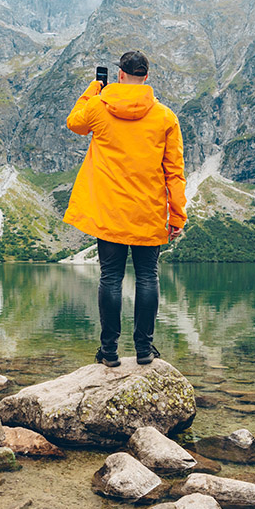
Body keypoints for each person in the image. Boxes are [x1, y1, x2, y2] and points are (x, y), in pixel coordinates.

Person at [63, 50, 187, 367]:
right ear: (146, 77)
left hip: (110, 211)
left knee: (110, 278)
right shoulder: (165, 117)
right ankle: (144, 350)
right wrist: (177, 214)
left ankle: (109, 352)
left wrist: (94, 89)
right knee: (148, 277)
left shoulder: (98, 109)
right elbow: (175, 172)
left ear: (120, 74)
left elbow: (74, 123)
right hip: (149, 211)